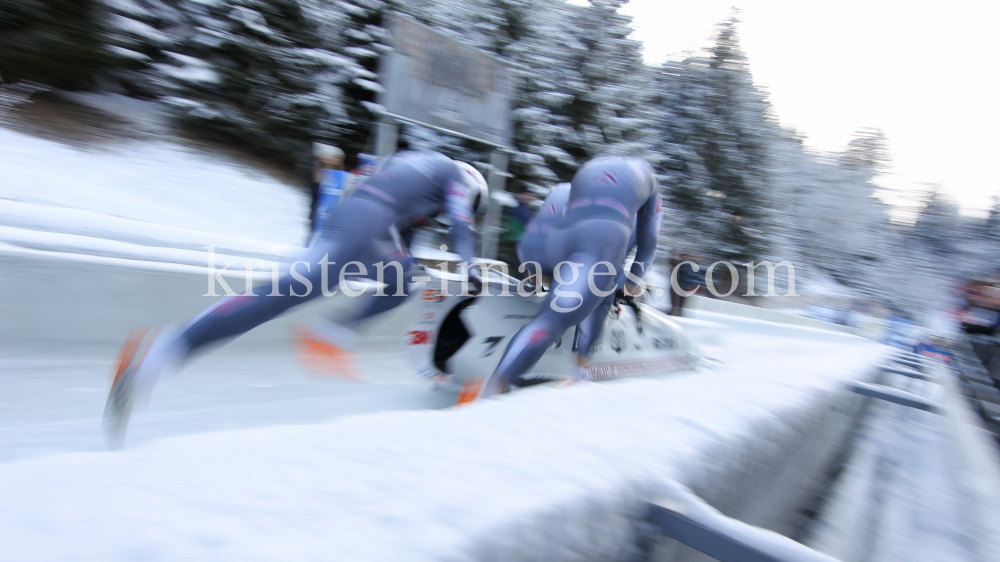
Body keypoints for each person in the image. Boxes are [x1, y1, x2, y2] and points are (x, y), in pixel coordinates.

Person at [105, 151, 490, 442]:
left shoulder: (417, 162)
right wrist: (471, 268)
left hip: (353, 220)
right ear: (472, 187)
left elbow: (382, 199)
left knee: (386, 283)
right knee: (292, 295)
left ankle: (154, 360)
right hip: (367, 224)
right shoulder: (455, 176)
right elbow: (460, 225)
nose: (442, 213)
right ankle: (329, 336)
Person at [480, 157, 662, 397]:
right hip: (598, 241)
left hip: (556, 240)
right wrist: (632, 284)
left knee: (582, 296)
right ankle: (499, 388)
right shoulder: (650, 183)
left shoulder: (591, 166)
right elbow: (648, 246)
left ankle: (541, 340)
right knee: (567, 313)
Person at [515, 182, 646, 385]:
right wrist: (624, 292)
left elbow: (540, 231)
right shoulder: (627, 213)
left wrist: (535, 285)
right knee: (603, 289)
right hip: (572, 259)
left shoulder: (565, 190)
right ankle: (578, 372)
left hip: (528, 252)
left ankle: (536, 296)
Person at [306, 144, 345, 239]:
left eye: (339, 158)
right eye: (335, 157)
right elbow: (316, 192)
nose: (338, 160)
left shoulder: (340, 175)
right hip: (318, 210)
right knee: (314, 235)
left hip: (332, 211)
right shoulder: (315, 172)